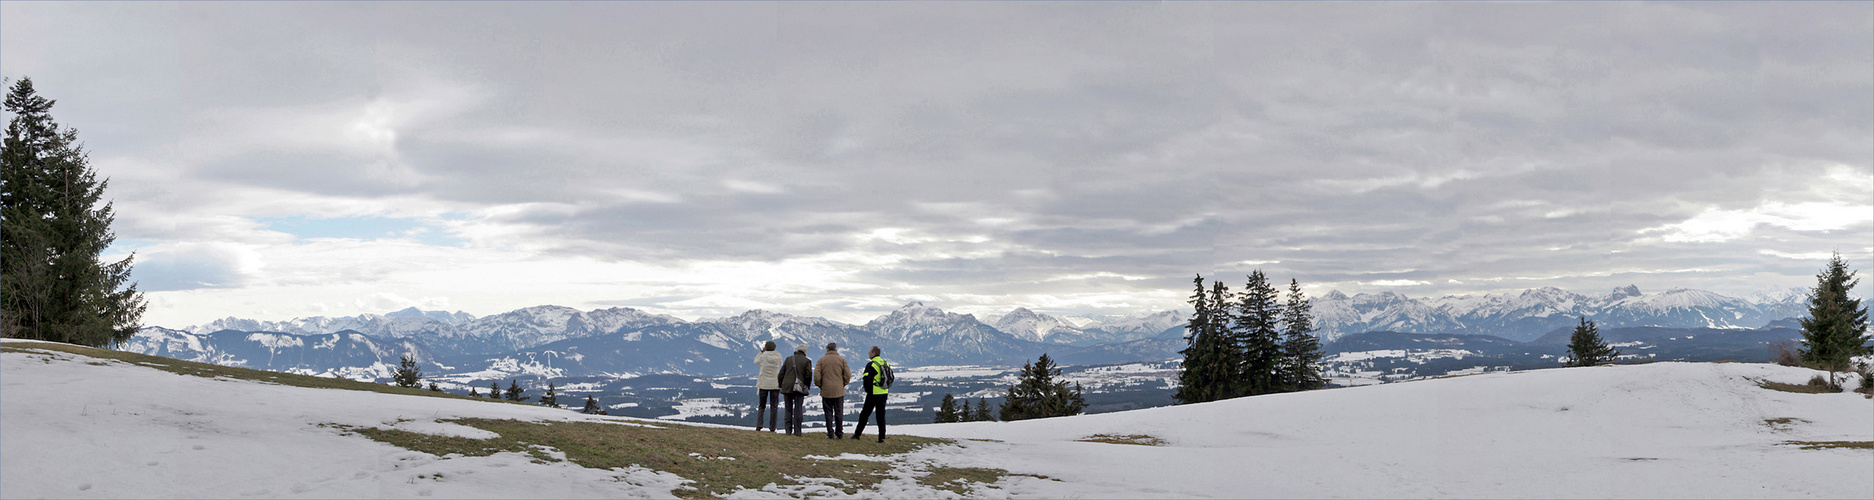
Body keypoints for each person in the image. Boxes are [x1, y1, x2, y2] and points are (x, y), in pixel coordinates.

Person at [850, 345, 890, 443]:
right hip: (884, 392)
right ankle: (882, 437)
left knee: (865, 414)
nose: (868, 353)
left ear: (873, 353)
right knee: (881, 416)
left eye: (869, 352)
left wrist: (868, 390)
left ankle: (857, 434)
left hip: (873, 393)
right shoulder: (886, 363)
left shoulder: (871, 364)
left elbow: (866, 380)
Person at [814, 342, 852, 439]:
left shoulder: (821, 361)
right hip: (838, 390)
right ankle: (839, 433)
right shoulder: (842, 360)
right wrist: (843, 384)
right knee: (839, 412)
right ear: (836, 349)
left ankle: (830, 432)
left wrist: (820, 385)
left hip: (826, 390)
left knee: (828, 412)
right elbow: (848, 375)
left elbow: (817, 376)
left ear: (827, 349)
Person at [777, 345, 814, 436]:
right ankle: (797, 431)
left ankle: (788, 430)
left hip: (787, 387)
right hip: (799, 388)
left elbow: (781, 374)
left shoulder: (788, 359)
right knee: (798, 409)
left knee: (788, 409)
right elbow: (808, 376)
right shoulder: (807, 361)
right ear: (805, 352)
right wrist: (806, 386)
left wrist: (781, 385)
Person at [752, 341, 783, 432]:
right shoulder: (778, 356)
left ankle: (759, 425)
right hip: (775, 384)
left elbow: (756, 362)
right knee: (774, 406)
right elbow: (780, 363)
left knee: (762, 406)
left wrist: (761, 352)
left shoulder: (763, 356)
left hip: (764, 384)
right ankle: (772, 427)